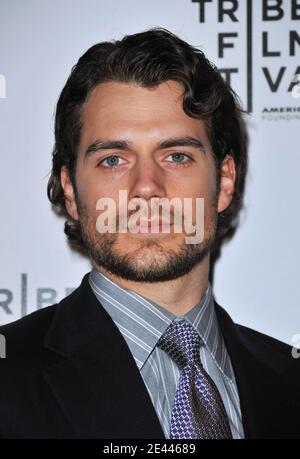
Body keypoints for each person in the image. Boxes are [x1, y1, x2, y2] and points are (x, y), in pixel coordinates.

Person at [0, 27, 299, 440]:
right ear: (70, 190)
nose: (146, 186)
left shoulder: (290, 379)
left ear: (225, 181)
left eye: (176, 156)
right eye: (112, 159)